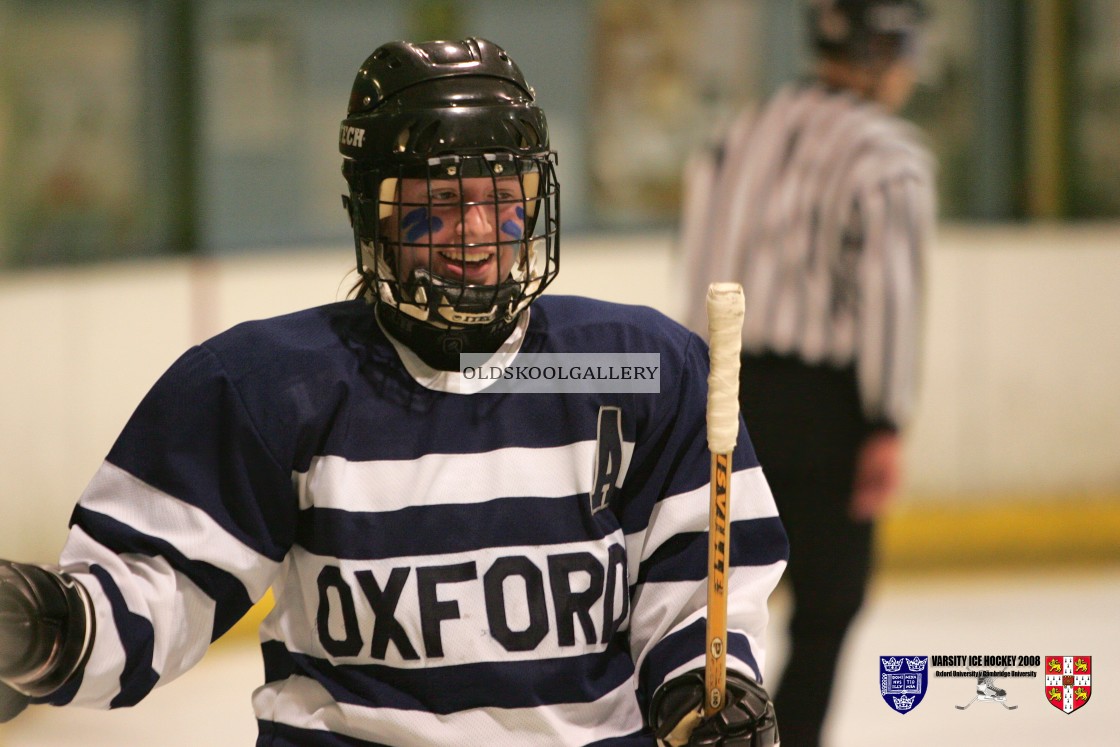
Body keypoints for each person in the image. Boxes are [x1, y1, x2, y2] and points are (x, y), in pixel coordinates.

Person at [1, 38, 787, 746]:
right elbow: (159, 588)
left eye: (501, 195)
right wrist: (49, 628)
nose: (477, 231)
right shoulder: (278, 386)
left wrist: (705, 692)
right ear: (369, 213)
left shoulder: (634, 367)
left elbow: (698, 594)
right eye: (437, 204)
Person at [679, 2, 937, 745]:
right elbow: (889, 300)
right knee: (827, 605)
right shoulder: (890, 155)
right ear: (882, 47)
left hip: (721, 388)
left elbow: (698, 273)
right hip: (827, 409)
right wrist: (887, 421)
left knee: (711, 607)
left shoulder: (739, 131)